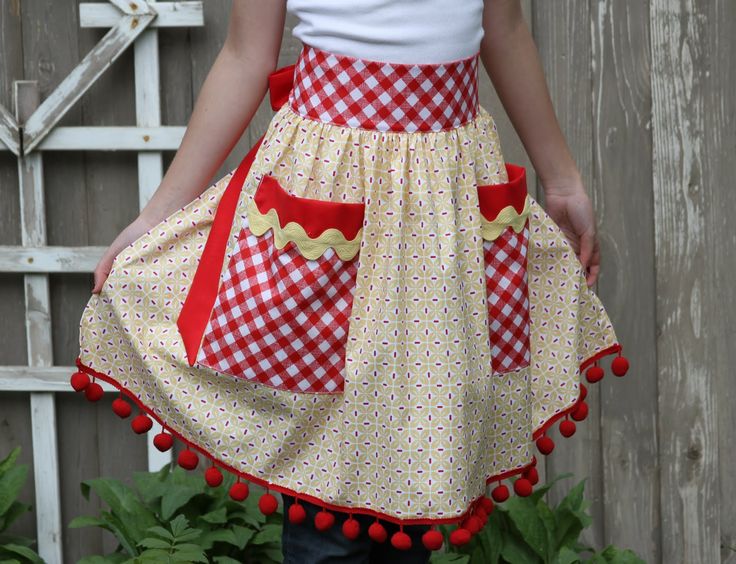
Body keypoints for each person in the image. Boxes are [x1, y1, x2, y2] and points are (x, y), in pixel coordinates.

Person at [71, 1, 630, 562]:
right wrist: (156, 218)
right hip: (330, 191)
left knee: (421, 469)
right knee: (326, 499)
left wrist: (561, 181)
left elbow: (505, 30)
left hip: (444, 206)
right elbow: (245, 55)